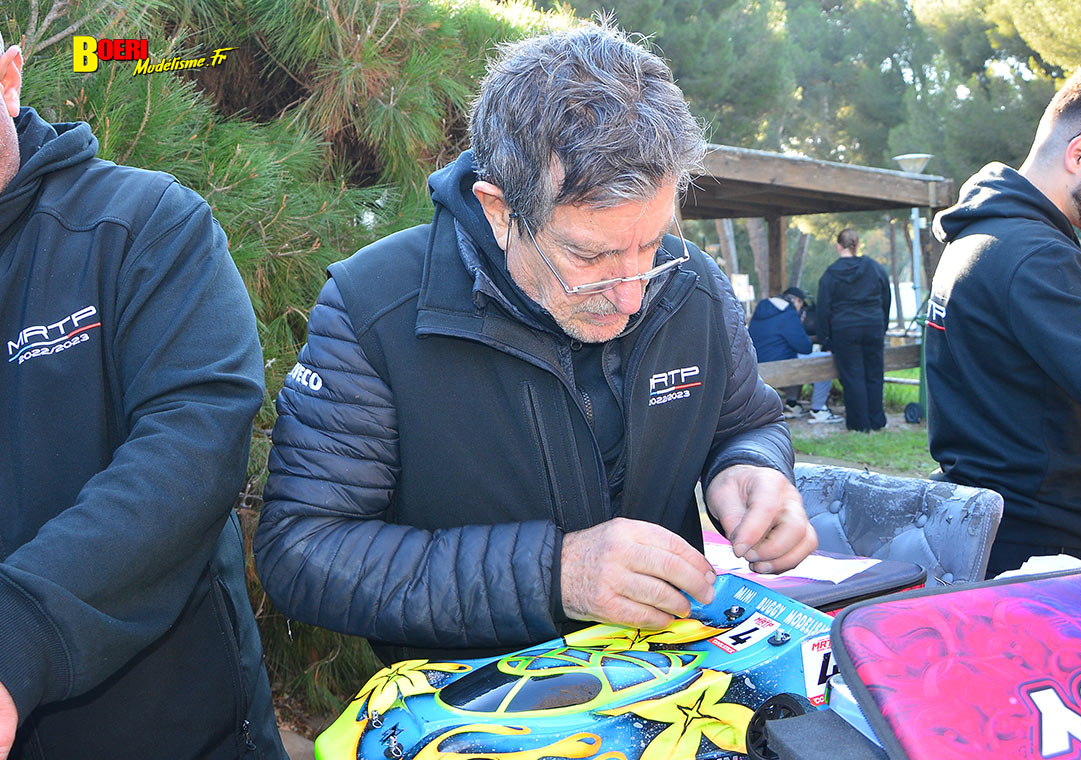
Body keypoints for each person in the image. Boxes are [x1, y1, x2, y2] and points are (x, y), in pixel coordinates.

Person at [254, 23, 817, 666]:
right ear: (499, 210)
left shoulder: (693, 287)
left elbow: (747, 423)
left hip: (673, 682)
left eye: (650, 243)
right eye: (590, 254)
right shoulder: (372, 310)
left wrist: (751, 468)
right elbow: (304, 551)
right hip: (475, 709)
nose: (632, 293)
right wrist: (556, 575)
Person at [0, 36, 285, 759]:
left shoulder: (146, 224)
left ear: (8, 77)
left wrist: (18, 635)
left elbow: (193, 448)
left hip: (175, 733)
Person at [927, 67, 1081, 577]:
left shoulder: (981, 239)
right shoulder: (1036, 258)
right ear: (1080, 152)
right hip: (1045, 553)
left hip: (993, 533)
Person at [816, 229, 891, 432]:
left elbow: (823, 308)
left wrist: (825, 338)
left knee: (852, 376)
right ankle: (877, 420)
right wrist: (882, 325)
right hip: (873, 325)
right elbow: (886, 297)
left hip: (845, 329)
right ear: (857, 245)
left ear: (838, 246)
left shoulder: (830, 274)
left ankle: (859, 424)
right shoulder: (875, 268)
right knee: (875, 374)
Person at [747, 287, 842, 423]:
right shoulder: (788, 313)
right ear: (797, 301)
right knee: (825, 360)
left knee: (791, 355)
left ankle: (792, 404)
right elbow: (805, 347)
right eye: (801, 306)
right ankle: (819, 409)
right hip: (780, 366)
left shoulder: (761, 310)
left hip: (758, 365)